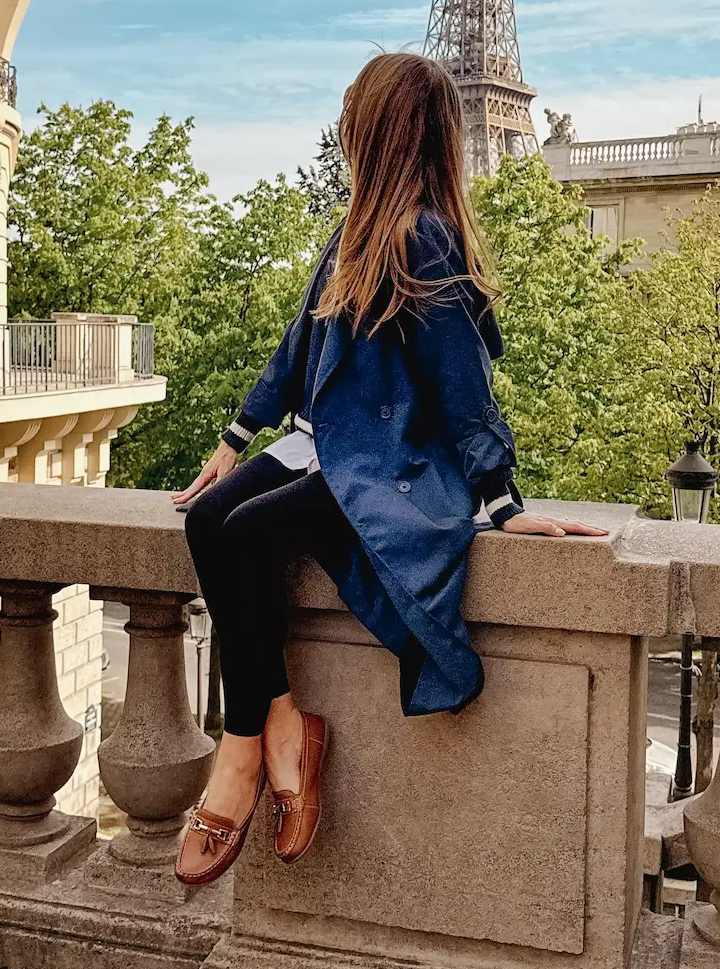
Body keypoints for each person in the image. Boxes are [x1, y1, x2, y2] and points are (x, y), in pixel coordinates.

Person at [173, 53, 607, 887]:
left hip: (393, 462)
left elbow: (462, 384)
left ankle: (240, 750)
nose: (340, 128)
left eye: (351, 114)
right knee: (207, 519)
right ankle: (283, 723)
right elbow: (296, 350)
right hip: (328, 442)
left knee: (253, 532)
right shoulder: (353, 231)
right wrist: (235, 438)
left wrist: (503, 502)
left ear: (377, 130)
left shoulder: (421, 236)